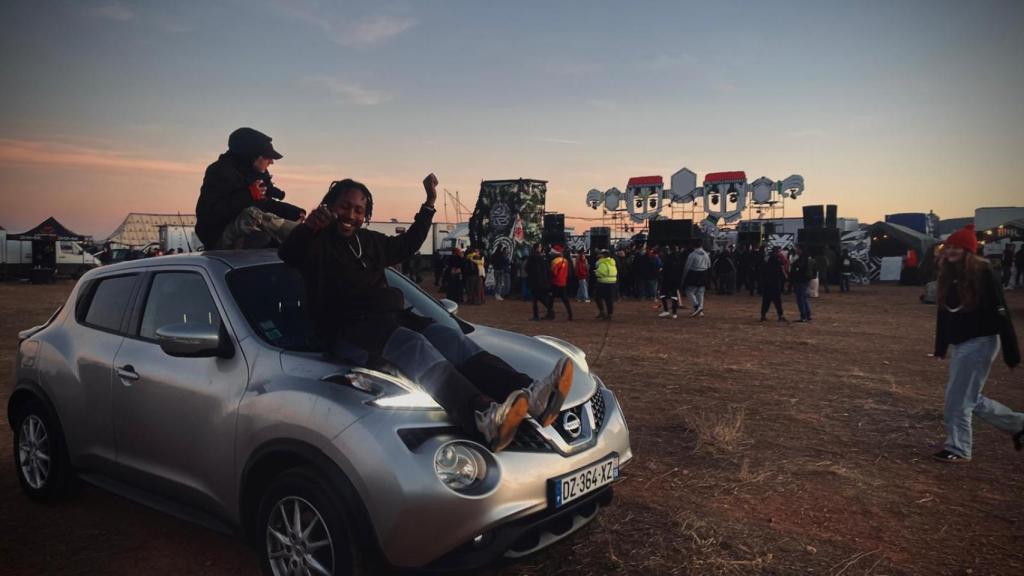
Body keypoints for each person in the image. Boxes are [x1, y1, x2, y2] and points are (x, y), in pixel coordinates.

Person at [278, 175, 574, 452]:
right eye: (344, 206)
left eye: (359, 210)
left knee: (450, 338)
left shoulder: (368, 242)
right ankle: (482, 415)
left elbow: (407, 244)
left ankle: (530, 394)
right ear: (329, 205)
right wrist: (309, 227)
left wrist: (430, 203)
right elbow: (290, 254)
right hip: (348, 329)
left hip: (390, 320)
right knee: (414, 346)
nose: (351, 215)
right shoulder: (316, 243)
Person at [932, 225, 1023, 462]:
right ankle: (1019, 424)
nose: (950, 251)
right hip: (962, 343)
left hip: (980, 342)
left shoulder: (983, 273)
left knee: (958, 399)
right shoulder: (948, 274)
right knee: (970, 396)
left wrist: (1011, 352)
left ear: (968, 251)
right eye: (948, 247)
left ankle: (958, 448)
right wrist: (941, 346)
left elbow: (1001, 311)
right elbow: (944, 313)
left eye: (956, 248)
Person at [196, 127, 305, 250]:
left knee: (263, 223)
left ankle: (300, 236)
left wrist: (296, 213)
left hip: (245, 230)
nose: (271, 162)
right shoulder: (220, 172)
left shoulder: (253, 175)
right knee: (252, 214)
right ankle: (303, 237)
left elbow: (266, 204)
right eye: (267, 157)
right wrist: (248, 195)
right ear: (252, 156)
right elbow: (210, 214)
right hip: (218, 236)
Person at [682, 239, 710, 317]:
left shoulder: (692, 255)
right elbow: (709, 265)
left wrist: (684, 276)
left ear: (693, 245)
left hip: (694, 273)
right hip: (704, 273)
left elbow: (687, 267)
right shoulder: (706, 254)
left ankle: (696, 306)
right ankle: (700, 310)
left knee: (689, 291)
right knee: (700, 293)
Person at [759, 246, 788, 322]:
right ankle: (780, 315)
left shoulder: (766, 258)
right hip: (774, 282)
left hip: (766, 282)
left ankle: (763, 315)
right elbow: (780, 270)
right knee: (777, 300)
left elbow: (762, 269)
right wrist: (785, 279)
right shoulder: (777, 259)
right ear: (777, 251)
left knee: (766, 300)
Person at [527, 243, 553, 320]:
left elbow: (527, 268)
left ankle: (537, 315)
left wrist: (532, 275)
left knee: (536, 298)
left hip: (535, 281)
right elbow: (547, 270)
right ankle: (549, 310)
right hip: (542, 281)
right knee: (541, 297)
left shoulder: (532, 257)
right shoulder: (542, 258)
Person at [658, 245, 685, 318]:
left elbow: (664, 269)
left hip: (667, 279)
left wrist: (661, 274)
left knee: (663, 294)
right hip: (676, 280)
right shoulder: (680, 258)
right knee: (674, 295)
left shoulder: (668, 258)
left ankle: (666, 310)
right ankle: (674, 313)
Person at [790, 244, 815, 322]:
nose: (796, 250)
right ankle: (807, 315)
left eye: (797, 248)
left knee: (800, 298)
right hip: (805, 279)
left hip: (801, 280)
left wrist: (794, 266)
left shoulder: (802, 257)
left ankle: (803, 316)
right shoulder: (807, 256)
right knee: (804, 298)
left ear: (800, 249)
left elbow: (799, 267)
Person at [549, 245, 573, 320]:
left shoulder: (555, 261)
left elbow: (554, 273)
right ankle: (570, 314)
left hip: (555, 282)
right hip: (563, 282)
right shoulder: (565, 261)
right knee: (565, 300)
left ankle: (550, 314)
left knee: (551, 299)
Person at [595, 249, 618, 320]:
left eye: (601, 254)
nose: (599, 255)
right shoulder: (612, 262)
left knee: (597, 297)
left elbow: (600, 273)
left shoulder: (602, 263)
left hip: (603, 283)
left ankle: (602, 312)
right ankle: (609, 314)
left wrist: (595, 272)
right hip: (612, 283)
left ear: (603, 255)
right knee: (609, 299)